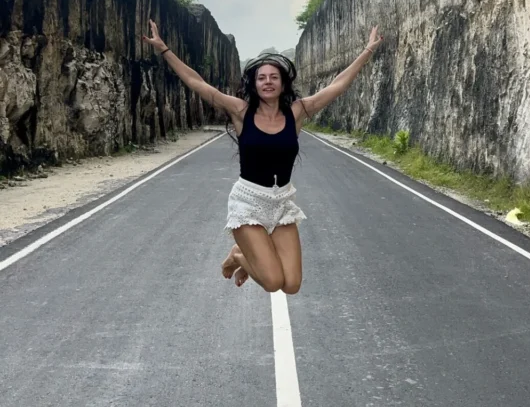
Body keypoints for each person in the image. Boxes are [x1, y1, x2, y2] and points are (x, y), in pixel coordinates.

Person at [143, 19, 383, 294]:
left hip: (282, 202)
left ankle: (243, 256)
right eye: (261, 78)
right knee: (272, 282)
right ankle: (238, 255)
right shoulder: (241, 111)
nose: (268, 82)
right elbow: (197, 83)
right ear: (254, 84)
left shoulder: (296, 112)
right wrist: (164, 49)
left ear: (283, 83)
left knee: (291, 285)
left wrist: (368, 50)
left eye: (273, 77)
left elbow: (337, 86)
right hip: (249, 202)